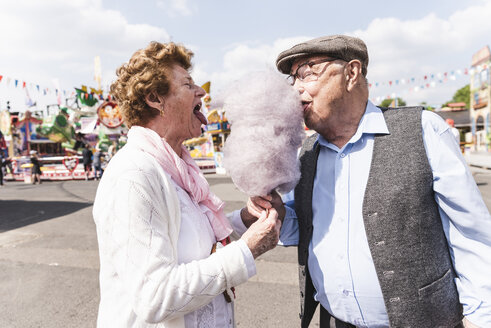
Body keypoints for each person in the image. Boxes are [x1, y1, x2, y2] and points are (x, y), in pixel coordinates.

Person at [242, 35, 491, 328]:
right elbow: (306, 227)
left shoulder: (423, 130)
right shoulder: (307, 153)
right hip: (333, 321)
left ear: (352, 73)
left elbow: (472, 237)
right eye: (292, 78)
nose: (296, 89)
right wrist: (276, 212)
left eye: (307, 72)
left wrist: (480, 318)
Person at [92, 41, 281, 328]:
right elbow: (154, 297)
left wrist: (245, 219)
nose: (201, 91)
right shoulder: (134, 176)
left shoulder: (176, 168)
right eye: (188, 84)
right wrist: (246, 251)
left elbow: (189, 235)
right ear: (155, 98)